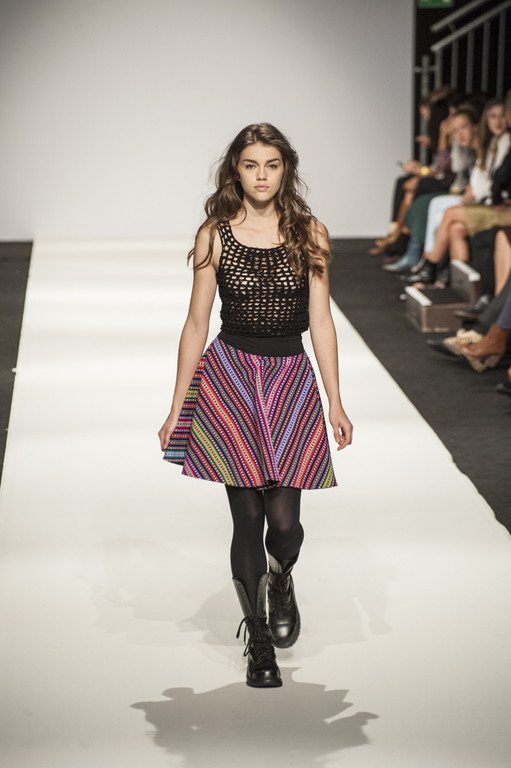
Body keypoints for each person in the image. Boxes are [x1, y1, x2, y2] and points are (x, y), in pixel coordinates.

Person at [157, 123, 353, 689]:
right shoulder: (214, 235)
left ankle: (281, 576)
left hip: (290, 379)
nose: (262, 175)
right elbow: (196, 324)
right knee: (246, 517)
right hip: (231, 379)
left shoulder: (310, 233)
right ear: (235, 171)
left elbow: (321, 320)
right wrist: (177, 406)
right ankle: (259, 637)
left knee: (284, 523)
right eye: (251, 165)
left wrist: (336, 401)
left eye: (272, 164)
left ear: (286, 169)